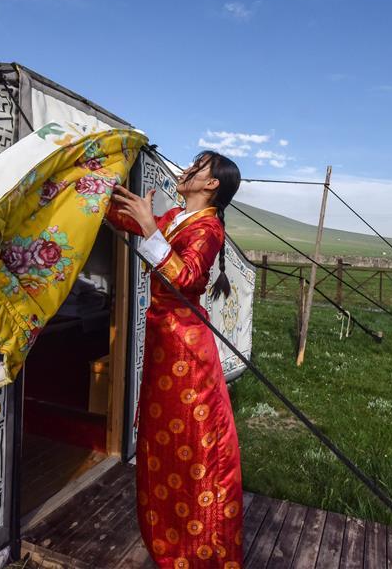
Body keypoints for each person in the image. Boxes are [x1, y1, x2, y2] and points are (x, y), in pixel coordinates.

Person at [106, 150, 244, 568]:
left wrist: (149, 225)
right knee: (164, 444)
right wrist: (97, 187)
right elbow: (123, 219)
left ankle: (202, 548)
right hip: (166, 343)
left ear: (211, 184)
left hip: (186, 347)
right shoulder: (176, 218)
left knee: (193, 447)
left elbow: (185, 279)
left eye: (197, 167)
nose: (186, 170)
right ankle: (169, 537)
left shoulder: (208, 229)